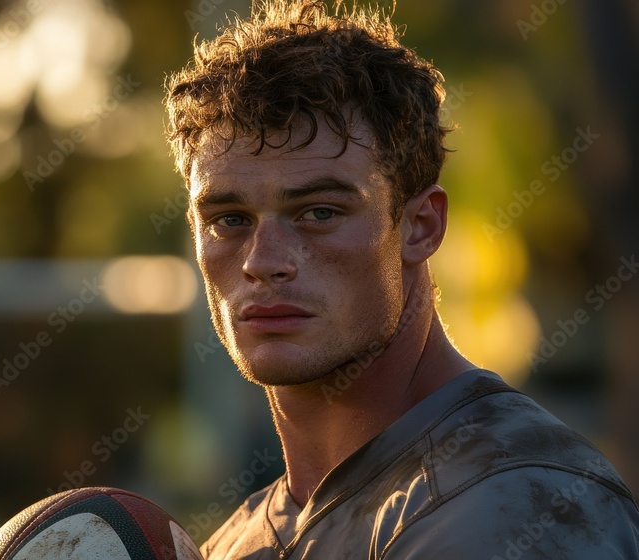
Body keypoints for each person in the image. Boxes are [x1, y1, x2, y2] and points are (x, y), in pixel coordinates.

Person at [163, 1, 639, 558]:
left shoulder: (514, 505)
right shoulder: (233, 542)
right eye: (229, 220)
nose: (262, 260)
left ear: (421, 225)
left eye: (319, 212)